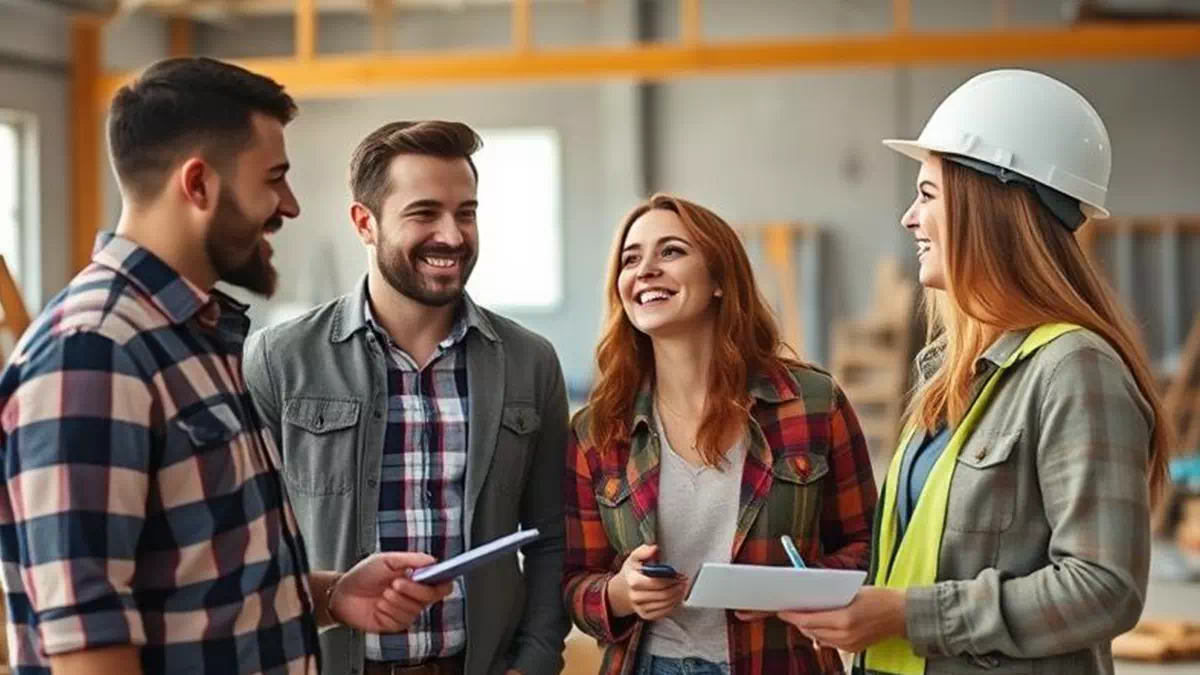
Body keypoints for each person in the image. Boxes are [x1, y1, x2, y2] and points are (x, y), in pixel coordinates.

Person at [0, 57, 450, 675]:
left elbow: (201, 583)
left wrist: (334, 593)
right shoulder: (94, 354)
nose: (288, 205)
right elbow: (88, 645)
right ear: (199, 184)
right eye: (274, 179)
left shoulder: (194, 338)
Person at [776, 69, 1172, 675]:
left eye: (928, 195)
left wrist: (908, 615)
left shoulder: (1074, 369)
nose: (909, 218)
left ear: (992, 206)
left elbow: (1103, 587)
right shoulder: (947, 371)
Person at [243, 120, 570, 675]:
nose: (452, 234)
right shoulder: (277, 360)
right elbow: (247, 550)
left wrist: (534, 662)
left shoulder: (529, 362)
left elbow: (552, 539)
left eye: (465, 213)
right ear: (364, 223)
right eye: (424, 214)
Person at [563, 193, 879, 675]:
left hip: (778, 664)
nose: (645, 269)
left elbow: (869, 549)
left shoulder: (813, 403)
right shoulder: (598, 430)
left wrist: (791, 589)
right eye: (631, 259)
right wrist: (619, 594)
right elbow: (570, 581)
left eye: (670, 251)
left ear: (717, 280)